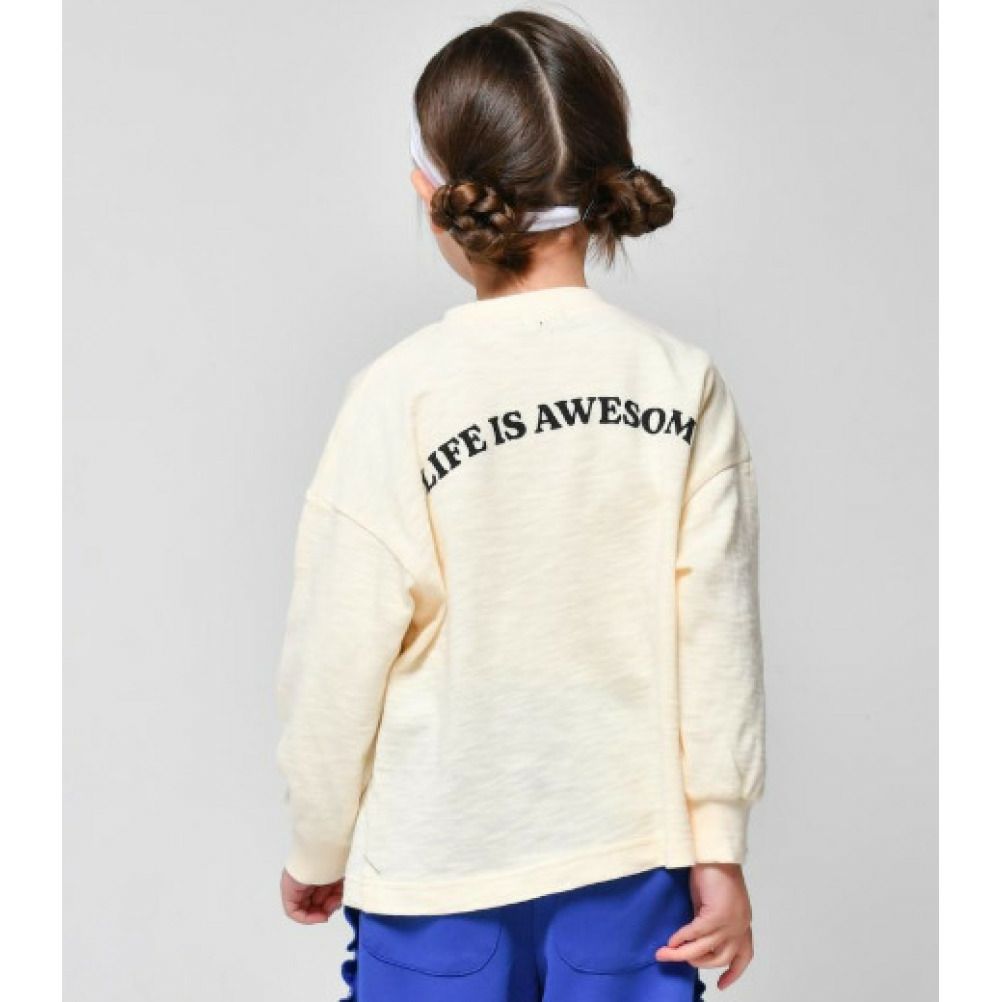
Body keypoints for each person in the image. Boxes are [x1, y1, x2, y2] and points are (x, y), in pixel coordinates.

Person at [275, 10, 765, 1001]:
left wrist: (317, 841)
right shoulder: (680, 383)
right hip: (634, 872)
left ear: (435, 193)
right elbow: (716, 637)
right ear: (606, 188)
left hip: (436, 874)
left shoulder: (399, 394)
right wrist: (718, 849)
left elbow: (338, 647)